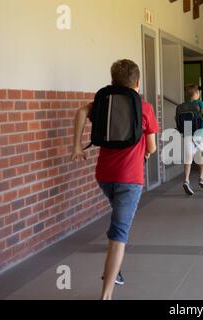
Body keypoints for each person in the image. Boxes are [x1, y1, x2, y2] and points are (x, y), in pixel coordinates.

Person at [71, 59, 160, 300]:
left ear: (113, 81)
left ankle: (115, 269)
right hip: (130, 179)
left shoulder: (103, 102)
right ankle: (106, 294)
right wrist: (147, 151)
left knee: (118, 220)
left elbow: (80, 111)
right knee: (118, 235)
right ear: (138, 83)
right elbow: (151, 146)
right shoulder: (145, 107)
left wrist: (77, 147)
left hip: (104, 176)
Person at [182, 84, 203, 196]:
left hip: (187, 133)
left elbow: (176, 118)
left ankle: (186, 180)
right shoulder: (200, 103)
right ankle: (201, 178)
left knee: (188, 157)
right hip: (199, 133)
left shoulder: (183, 105)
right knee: (202, 156)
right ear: (197, 93)